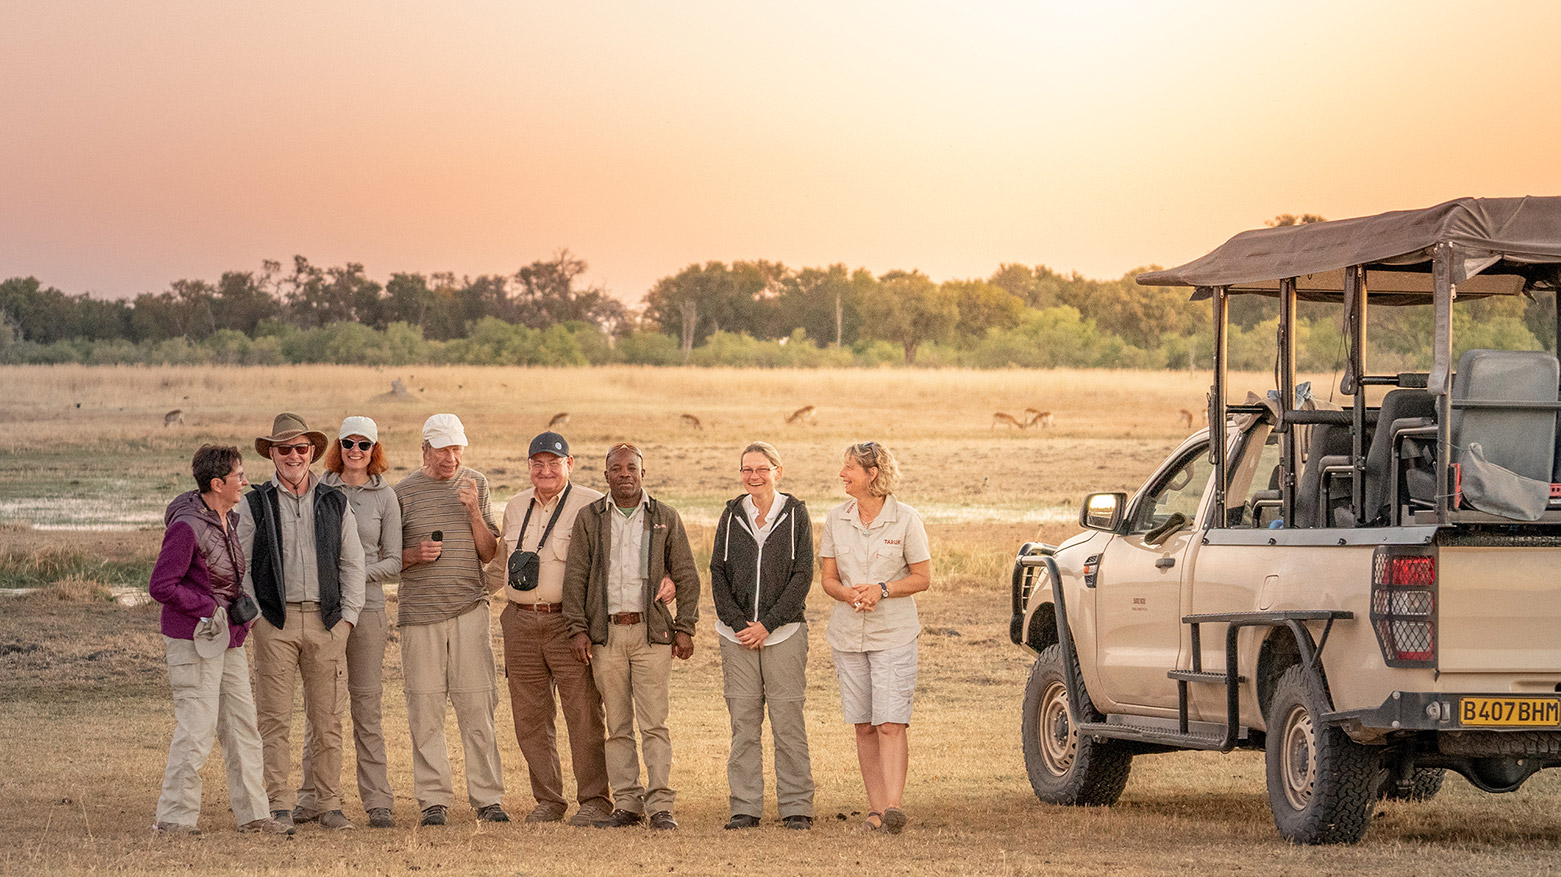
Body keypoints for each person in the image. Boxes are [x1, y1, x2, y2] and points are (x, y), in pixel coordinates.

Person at [149, 445, 293, 837]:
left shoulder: (225, 517)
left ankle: (254, 815)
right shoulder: (186, 526)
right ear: (217, 483)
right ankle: (173, 819)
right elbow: (161, 586)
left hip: (226, 639)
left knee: (242, 725)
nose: (244, 481)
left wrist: (237, 620)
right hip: (194, 639)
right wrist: (209, 608)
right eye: (238, 476)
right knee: (196, 728)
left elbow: (226, 580)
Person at [238, 413, 367, 831]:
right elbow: (239, 567)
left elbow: (353, 562)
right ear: (272, 454)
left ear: (312, 452)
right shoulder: (254, 502)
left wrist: (347, 618)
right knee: (273, 720)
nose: (293, 456)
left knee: (327, 718)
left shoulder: (334, 500)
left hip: (327, 622)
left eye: (301, 448)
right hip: (275, 623)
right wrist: (256, 617)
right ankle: (278, 806)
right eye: (284, 449)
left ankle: (328, 804)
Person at [562, 443, 700, 830]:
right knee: (617, 725)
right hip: (606, 636)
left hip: (650, 634)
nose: (624, 474)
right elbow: (575, 577)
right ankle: (627, 803)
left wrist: (685, 627)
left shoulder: (664, 517)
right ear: (605, 475)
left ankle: (661, 806)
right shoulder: (590, 518)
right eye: (616, 468)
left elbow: (687, 575)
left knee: (654, 723)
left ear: (644, 472)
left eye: (631, 468)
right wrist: (577, 629)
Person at [395, 413, 509, 826]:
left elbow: (488, 553)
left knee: (478, 705)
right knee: (425, 708)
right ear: (424, 448)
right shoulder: (403, 492)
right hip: (419, 615)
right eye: (443, 449)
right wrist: (413, 555)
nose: (451, 457)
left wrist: (475, 513)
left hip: (468, 610)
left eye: (457, 448)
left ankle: (488, 798)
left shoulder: (476, 482)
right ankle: (433, 800)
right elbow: (389, 560)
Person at [497, 431, 612, 826]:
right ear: (529, 466)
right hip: (520, 622)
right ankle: (548, 800)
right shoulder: (514, 506)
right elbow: (499, 566)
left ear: (570, 464)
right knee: (530, 716)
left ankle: (595, 800)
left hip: (569, 622)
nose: (545, 470)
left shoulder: (593, 504)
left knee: (583, 712)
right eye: (537, 463)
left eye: (554, 462)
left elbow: (613, 563)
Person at [819, 441, 931, 835]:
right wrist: (848, 593)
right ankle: (876, 809)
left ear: (872, 474)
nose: (842, 474)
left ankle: (894, 808)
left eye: (849, 467)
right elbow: (828, 581)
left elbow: (922, 578)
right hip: (847, 636)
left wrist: (882, 589)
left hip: (894, 635)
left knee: (890, 722)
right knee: (864, 724)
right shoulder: (836, 519)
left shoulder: (906, 519)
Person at [295, 416, 402, 829]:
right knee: (322, 707)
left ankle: (378, 802)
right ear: (337, 448)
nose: (355, 451)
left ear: (375, 450)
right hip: (325, 612)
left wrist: (354, 574)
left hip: (370, 612)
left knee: (367, 706)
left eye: (364, 445)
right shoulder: (319, 490)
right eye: (348, 444)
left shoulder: (385, 497)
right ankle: (312, 798)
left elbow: (394, 561)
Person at [709, 441, 816, 831]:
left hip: (783, 633)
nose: (753, 476)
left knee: (787, 721)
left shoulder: (795, 514)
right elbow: (717, 572)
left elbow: (803, 574)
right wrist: (739, 624)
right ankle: (745, 806)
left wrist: (767, 624)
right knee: (744, 722)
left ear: (778, 471)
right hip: (736, 636)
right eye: (747, 470)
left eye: (761, 469)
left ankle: (796, 806)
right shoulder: (731, 513)